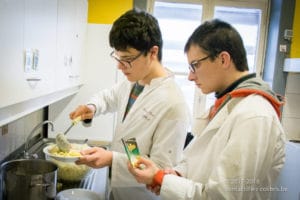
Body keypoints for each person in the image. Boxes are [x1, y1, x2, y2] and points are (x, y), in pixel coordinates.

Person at [128, 19, 286, 200]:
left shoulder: (254, 115)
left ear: (223, 59)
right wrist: (173, 177)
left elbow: (223, 196)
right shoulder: (229, 103)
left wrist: (161, 179)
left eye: (195, 65)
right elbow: (201, 161)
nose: (190, 76)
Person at [69, 9, 190, 200]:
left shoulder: (174, 104)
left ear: (152, 52)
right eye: (118, 58)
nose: (119, 66)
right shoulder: (135, 81)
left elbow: (160, 169)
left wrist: (112, 159)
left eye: (126, 60)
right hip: (119, 191)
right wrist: (92, 107)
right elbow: (109, 97)